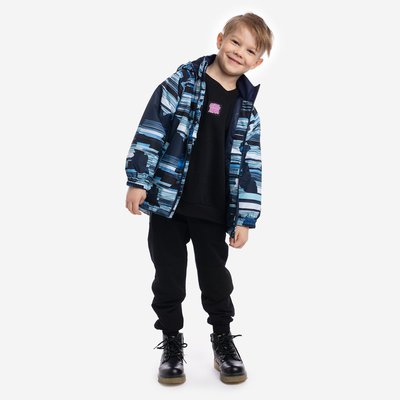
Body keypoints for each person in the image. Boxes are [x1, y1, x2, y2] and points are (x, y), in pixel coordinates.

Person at [125, 12, 274, 384]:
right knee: (168, 278)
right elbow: (152, 127)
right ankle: (171, 343)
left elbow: (250, 167)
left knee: (216, 280)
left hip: (214, 209)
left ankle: (223, 340)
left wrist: (244, 218)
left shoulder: (247, 110)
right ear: (220, 39)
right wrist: (139, 179)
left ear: (257, 62)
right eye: (235, 42)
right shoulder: (182, 83)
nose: (239, 52)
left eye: (250, 50)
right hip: (168, 203)